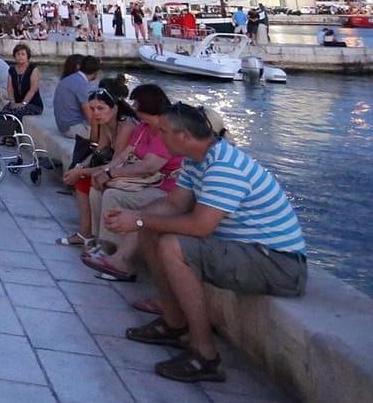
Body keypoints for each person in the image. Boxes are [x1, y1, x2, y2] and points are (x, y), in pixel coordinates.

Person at [110, 102, 305, 384]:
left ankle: (204, 355)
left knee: (172, 245)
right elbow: (175, 204)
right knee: (151, 230)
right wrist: (135, 218)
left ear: (184, 136)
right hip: (246, 249)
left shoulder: (225, 167)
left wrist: (139, 220)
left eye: (163, 132)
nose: (159, 137)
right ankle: (174, 323)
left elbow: (201, 226)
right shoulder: (196, 159)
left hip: (278, 262)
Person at [82, 84, 181, 282]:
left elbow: (150, 166)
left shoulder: (164, 131)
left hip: (163, 187)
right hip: (145, 182)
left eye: (137, 104)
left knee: (113, 195)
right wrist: (105, 172)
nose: (133, 107)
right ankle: (102, 244)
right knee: (97, 189)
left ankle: (118, 256)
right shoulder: (143, 129)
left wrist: (111, 175)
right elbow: (125, 155)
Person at [57, 86, 138, 248]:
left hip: (129, 168)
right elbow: (99, 152)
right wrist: (78, 167)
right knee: (81, 179)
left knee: (90, 181)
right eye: (92, 109)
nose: (96, 113)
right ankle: (85, 234)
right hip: (115, 166)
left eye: (101, 108)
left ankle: (103, 240)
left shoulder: (126, 126)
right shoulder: (106, 124)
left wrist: (81, 171)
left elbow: (117, 162)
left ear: (114, 108)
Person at [52, 54, 101, 140]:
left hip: (63, 125)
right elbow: (89, 117)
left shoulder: (68, 79)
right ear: (95, 72)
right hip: (72, 127)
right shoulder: (82, 84)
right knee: (106, 133)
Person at [5, 43, 43, 117]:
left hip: (33, 104)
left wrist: (23, 103)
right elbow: (10, 88)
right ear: (14, 56)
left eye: (23, 54)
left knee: (16, 113)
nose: (20, 56)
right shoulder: (12, 70)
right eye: (18, 54)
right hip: (16, 103)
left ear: (27, 56)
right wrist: (12, 102)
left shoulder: (33, 69)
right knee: (3, 113)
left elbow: (33, 89)